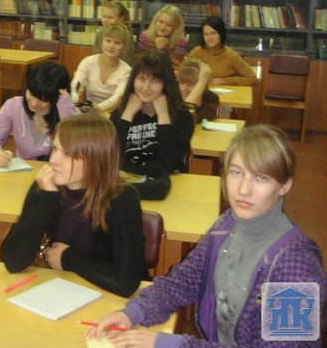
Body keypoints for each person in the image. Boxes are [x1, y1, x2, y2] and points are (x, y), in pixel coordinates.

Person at [86, 124, 326, 347]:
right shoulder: (227, 224)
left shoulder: (296, 265)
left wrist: (173, 344)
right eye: (236, 172)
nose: (244, 189)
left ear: (285, 185)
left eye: (261, 177)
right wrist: (134, 313)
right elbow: (185, 280)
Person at [1, 112, 148, 296]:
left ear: (96, 159)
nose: (53, 160)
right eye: (54, 148)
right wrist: (47, 199)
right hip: (63, 290)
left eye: (68, 154)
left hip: (110, 297)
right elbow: (13, 261)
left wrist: (67, 258)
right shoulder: (46, 185)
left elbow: (125, 283)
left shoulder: (121, 199)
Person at [111, 50, 194, 198]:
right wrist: (127, 114)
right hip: (125, 188)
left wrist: (163, 116)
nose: (145, 87)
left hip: (167, 189)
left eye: (155, 81)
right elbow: (110, 157)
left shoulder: (182, 117)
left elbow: (170, 164)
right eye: (141, 79)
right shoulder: (121, 113)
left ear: (165, 84)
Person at [0, 61, 79, 167]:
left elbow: (75, 151)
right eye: (31, 94)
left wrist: (64, 106)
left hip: (59, 174)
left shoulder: (71, 114)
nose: (34, 103)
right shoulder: (13, 106)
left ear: (58, 96)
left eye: (43, 100)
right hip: (24, 173)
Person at [71, 23, 132, 112]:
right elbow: (76, 84)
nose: (111, 46)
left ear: (124, 47)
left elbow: (117, 97)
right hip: (88, 110)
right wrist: (75, 96)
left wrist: (98, 108)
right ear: (102, 41)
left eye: (117, 43)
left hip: (112, 112)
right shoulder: (88, 62)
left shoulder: (127, 71)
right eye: (108, 41)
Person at [185, 16, 258, 86]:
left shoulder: (231, 55)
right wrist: (206, 79)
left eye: (213, 33)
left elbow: (253, 79)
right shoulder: (197, 52)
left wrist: (224, 81)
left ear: (221, 34)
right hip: (199, 92)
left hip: (224, 92)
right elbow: (180, 74)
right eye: (206, 34)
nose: (209, 38)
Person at [178, 59, 219, 124]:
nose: (184, 88)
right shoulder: (172, 96)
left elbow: (189, 120)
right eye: (181, 83)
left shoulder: (210, 98)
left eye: (190, 84)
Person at [101, 0, 135, 65]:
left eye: (110, 17)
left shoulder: (126, 36)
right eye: (103, 16)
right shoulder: (100, 34)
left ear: (121, 19)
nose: (105, 20)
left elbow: (127, 61)